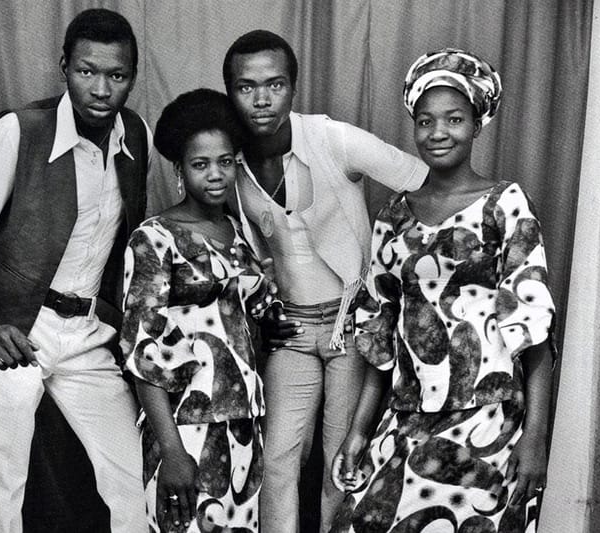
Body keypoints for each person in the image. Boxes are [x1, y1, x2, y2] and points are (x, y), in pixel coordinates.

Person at [0, 9, 150, 532]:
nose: (100, 89)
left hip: (88, 334)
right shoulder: (20, 130)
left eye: (116, 76)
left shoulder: (134, 134)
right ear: (63, 68)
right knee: (1, 483)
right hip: (13, 327)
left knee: (133, 478)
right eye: (86, 71)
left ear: (132, 78)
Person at [330, 49, 555, 532]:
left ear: (477, 124)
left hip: (489, 422)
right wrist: (358, 431)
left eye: (454, 119)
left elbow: (535, 338)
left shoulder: (505, 205)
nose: (438, 132)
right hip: (408, 413)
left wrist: (535, 438)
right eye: (426, 120)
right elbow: (381, 341)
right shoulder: (393, 215)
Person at [222, 29, 429, 532]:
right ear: (230, 92)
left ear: (293, 87)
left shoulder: (331, 137)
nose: (262, 98)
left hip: (350, 327)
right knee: (277, 459)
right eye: (246, 87)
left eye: (274, 84)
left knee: (342, 461)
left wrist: (391, 270)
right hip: (289, 330)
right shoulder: (230, 161)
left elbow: (421, 179)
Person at [121, 88, 273, 533]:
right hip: (185, 426)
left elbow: (249, 323)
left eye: (225, 162)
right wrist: (171, 450)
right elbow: (140, 354)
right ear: (179, 170)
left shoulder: (237, 232)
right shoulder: (154, 238)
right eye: (201, 164)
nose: (215, 175)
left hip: (243, 425)